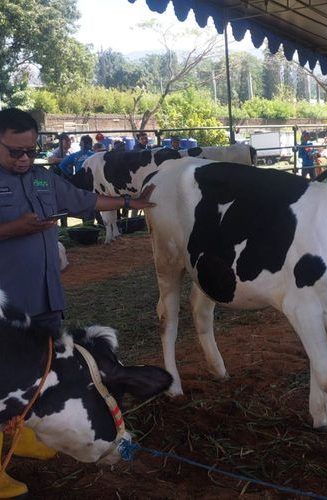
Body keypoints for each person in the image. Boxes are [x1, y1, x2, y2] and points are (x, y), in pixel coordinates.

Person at [0, 108, 156, 497]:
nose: (23, 159)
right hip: (5, 310)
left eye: (29, 151)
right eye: (13, 152)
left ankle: (24, 436)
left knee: (43, 370)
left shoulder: (40, 176)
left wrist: (132, 202)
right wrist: (11, 230)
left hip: (44, 298)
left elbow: (83, 201)